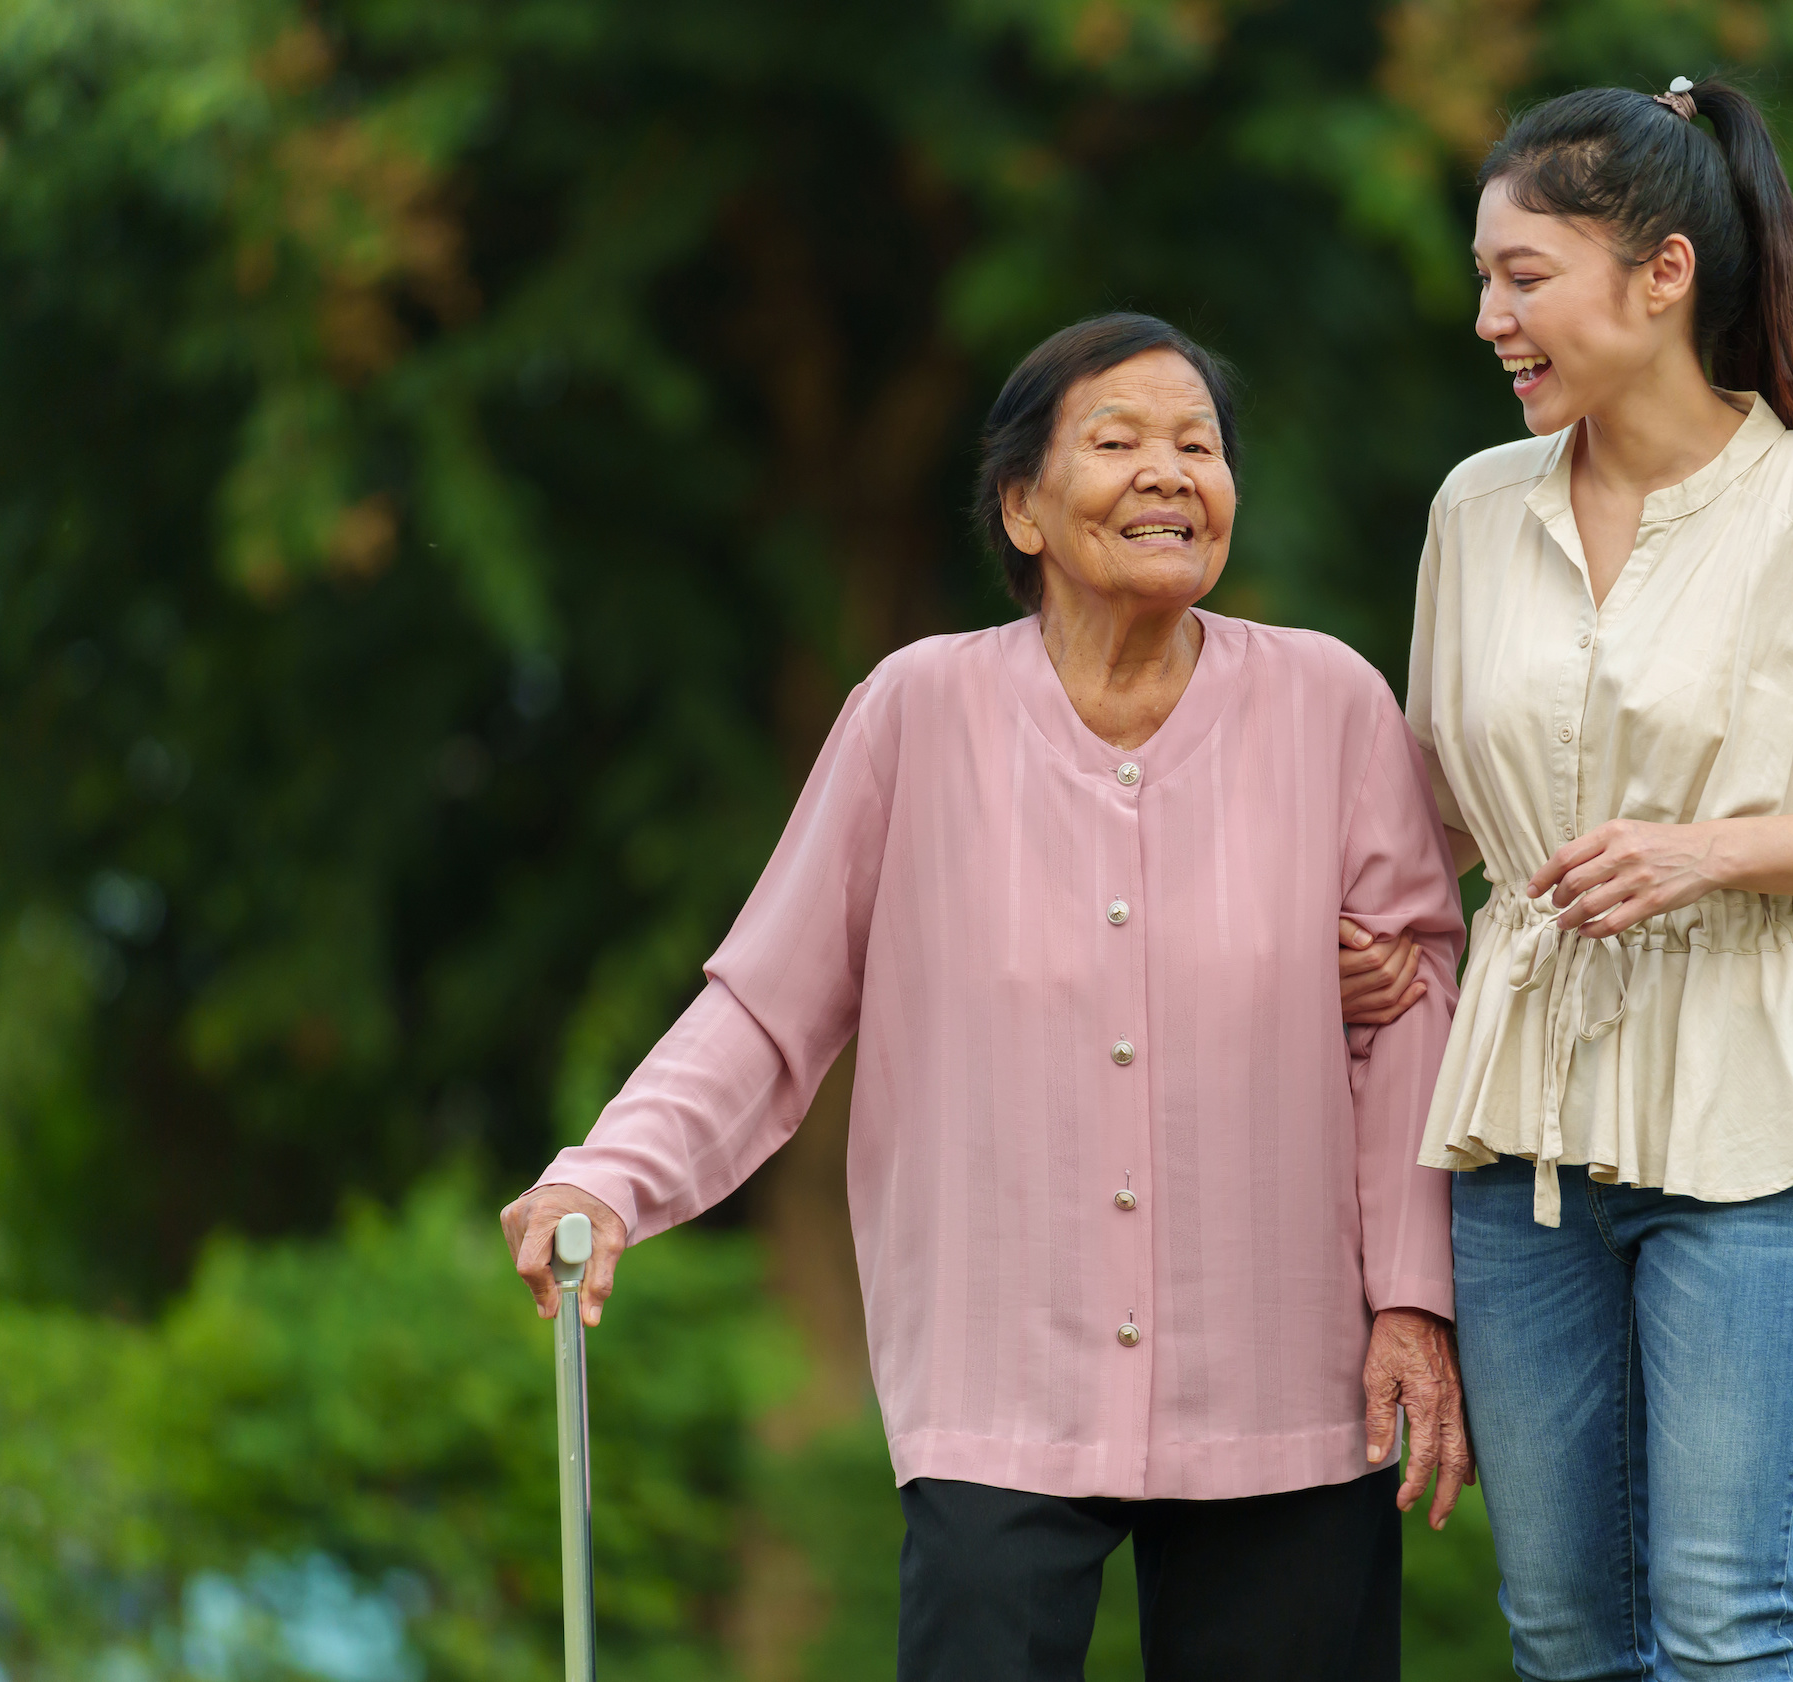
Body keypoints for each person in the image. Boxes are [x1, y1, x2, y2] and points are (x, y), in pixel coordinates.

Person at [501, 313, 1472, 1682]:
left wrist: (1412, 1302)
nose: (1168, 473)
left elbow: (1414, 1003)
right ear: (1020, 506)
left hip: (1285, 1373)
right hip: (998, 1373)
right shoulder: (916, 711)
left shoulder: (1330, 706)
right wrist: (611, 1176)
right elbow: (769, 1003)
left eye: (1199, 445)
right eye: (1118, 441)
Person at [1358, 78, 1793, 1681]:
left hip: (1755, 1121)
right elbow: (1433, 812)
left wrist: (1706, 848)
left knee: (1722, 1627)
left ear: (1663, 275)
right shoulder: (1471, 510)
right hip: (1522, 1138)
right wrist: (1379, 939)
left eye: (1526, 276)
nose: (1491, 316)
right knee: (1563, 1633)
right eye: (1484, 277)